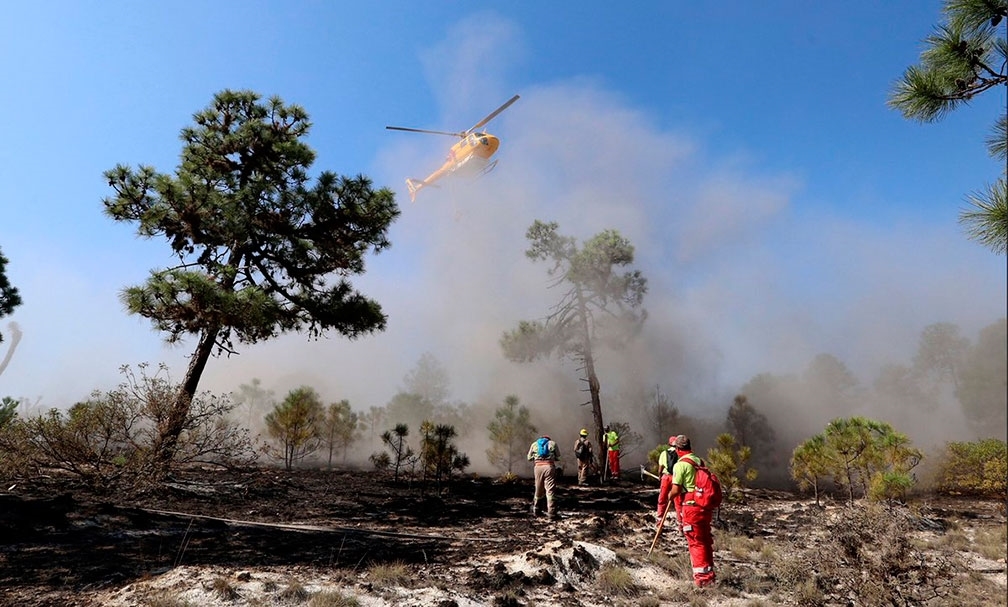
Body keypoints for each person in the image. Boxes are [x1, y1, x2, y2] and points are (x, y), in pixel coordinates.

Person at [668, 434, 716, 587]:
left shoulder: (680, 465)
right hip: (704, 506)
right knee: (704, 540)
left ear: (677, 449)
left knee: (695, 541)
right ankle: (709, 574)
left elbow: (676, 490)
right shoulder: (698, 460)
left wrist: (669, 496)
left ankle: (702, 580)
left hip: (691, 506)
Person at [527, 434, 560, 519]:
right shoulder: (552, 443)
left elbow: (529, 458)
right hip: (549, 467)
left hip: (538, 467)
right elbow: (558, 456)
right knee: (550, 490)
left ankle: (537, 510)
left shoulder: (534, 444)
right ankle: (552, 512)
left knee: (538, 489)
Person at [655, 435, 679, 529]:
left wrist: (660, 476)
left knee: (662, 499)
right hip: (676, 478)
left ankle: (659, 522)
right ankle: (680, 524)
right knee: (677, 501)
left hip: (666, 478)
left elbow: (660, 468)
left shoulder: (664, 453)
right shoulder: (680, 453)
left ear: (669, 444)